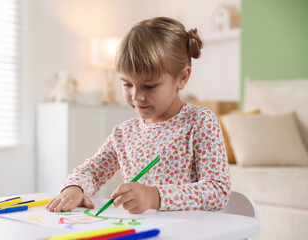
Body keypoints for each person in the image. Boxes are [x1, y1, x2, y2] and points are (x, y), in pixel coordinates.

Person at [46, 17, 230, 214]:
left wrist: (155, 196)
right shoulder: (125, 133)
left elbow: (218, 191)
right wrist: (74, 187)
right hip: (141, 230)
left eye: (149, 86)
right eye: (127, 84)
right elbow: (92, 170)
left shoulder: (200, 121)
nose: (136, 96)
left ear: (182, 78)